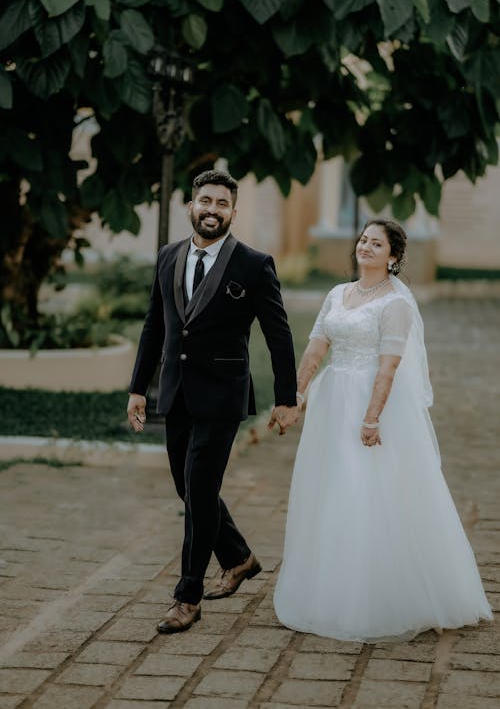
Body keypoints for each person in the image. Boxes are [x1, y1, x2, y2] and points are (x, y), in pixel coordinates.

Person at [274, 219, 492, 642]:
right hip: (333, 401)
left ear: (393, 257)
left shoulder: (396, 304)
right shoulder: (338, 294)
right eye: (363, 240)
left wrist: (372, 418)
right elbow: (316, 349)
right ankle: (329, 590)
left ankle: (374, 597)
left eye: (377, 243)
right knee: (330, 487)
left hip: (372, 405)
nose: (366, 246)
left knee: (364, 489)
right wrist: (295, 398)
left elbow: (390, 366)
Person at [127, 169, 299, 634]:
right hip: (177, 391)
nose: (212, 210)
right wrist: (138, 387)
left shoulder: (254, 264)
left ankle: (187, 596)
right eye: (206, 200)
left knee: (199, 489)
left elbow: (279, 336)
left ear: (233, 212)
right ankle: (239, 557)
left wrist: (287, 398)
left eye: (222, 204)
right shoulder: (168, 256)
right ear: (191, 205)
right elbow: (154, 325)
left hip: (224, 395)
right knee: (188, 488)